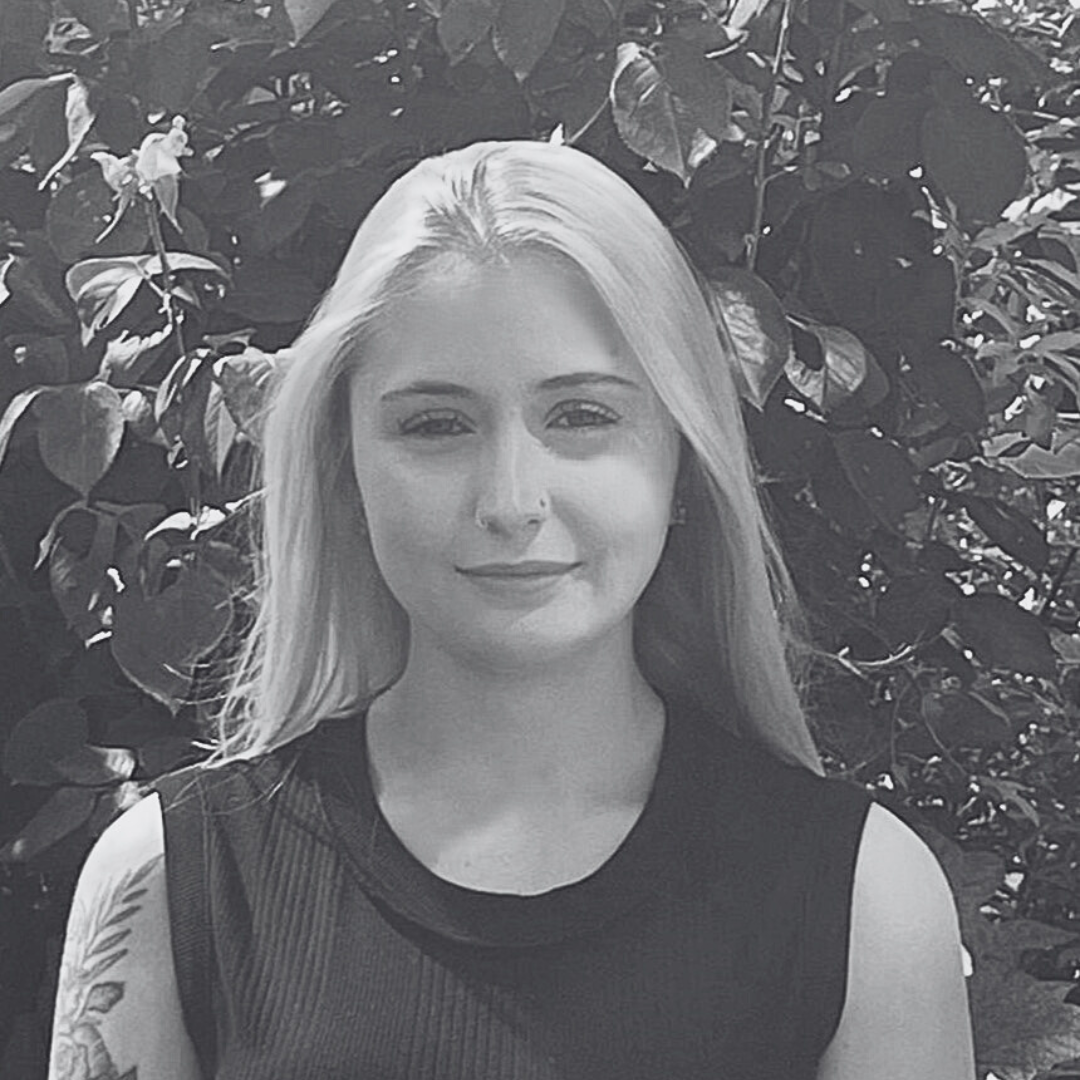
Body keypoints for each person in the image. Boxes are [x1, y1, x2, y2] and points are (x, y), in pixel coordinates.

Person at [49, 139, 975, 1080]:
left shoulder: (864, 901)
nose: (511, 501)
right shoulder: (168, 884)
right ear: (344, 468)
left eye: (582, 416)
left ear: (685, 457)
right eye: (435, 425)